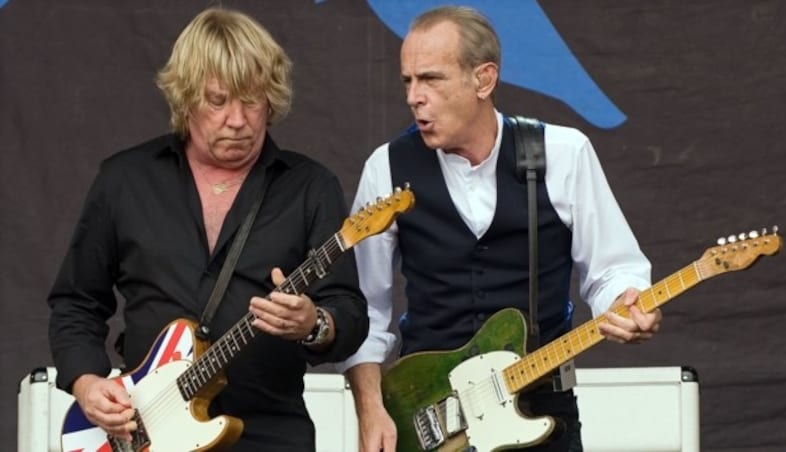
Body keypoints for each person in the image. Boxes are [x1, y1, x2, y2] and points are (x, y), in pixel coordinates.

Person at [338, 5, 661, 452]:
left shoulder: (563, 153)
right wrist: (370, 410)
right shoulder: (387, 167)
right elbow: (365, 310)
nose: (414, 96)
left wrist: (627, 303)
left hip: (541, 408)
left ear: (484, 79)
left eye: (431, 79)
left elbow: (612, 271)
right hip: (431, 417)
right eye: (408, 81)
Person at [47, 7, 368, 452]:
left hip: (269, 435)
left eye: (251, 100)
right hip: (143, 434)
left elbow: (349, 313)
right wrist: (86, 382)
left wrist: (314, 324)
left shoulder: (310, 187)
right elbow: (76, 303)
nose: (237, 120)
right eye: (218, 101)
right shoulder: (125, 180)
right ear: (185, 100)